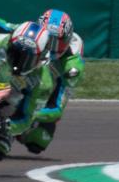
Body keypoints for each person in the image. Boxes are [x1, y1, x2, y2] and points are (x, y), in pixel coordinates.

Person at [0, 21, 53, 160]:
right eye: (15, 53)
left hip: (1, 107)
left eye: (27, 58)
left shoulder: (42, 82)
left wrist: (5, 125)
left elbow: (26, 118)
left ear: (40, 58)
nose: (19, 61)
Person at [20, 10, 84, 154]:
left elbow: (59, 106)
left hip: (48, 88)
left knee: (38, 141)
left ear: (67, 40)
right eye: (48, 40)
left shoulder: (73, 55)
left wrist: (31, 113)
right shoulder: (29, 34)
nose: (51, 47)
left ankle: (25, 125)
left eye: (57, 43)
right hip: (26, 74)